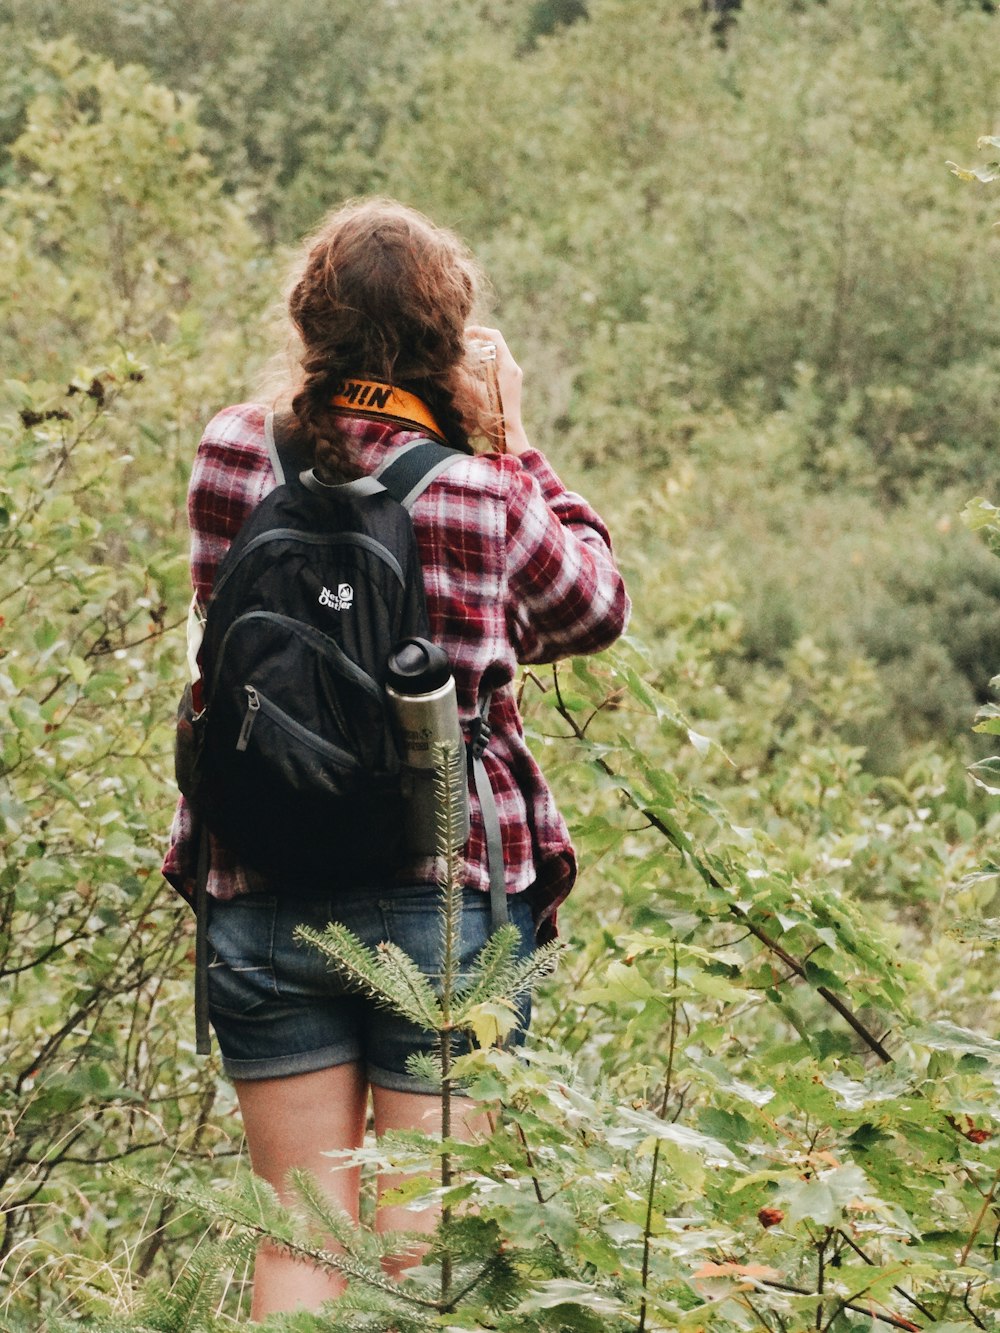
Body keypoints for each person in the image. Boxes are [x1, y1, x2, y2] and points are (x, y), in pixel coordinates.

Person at [162, 197, 630, 1318]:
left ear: (306, 320)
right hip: (441, 893)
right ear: (447, 338)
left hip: (260, 880)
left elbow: (213, 604)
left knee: (300, 1240)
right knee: (418, 1251)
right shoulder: (479, 489)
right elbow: (592, 608)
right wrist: (512, 437)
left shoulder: (235, 451)